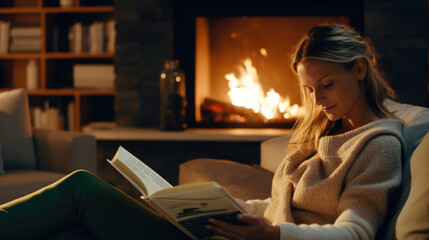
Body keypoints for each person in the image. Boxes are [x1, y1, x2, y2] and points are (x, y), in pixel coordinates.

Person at [0, 24, 404, 240]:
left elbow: (355, 232)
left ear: (359, 68)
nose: (318, 100)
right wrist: (219, 205)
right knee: (71, 231)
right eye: (310, 90)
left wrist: (275, 235)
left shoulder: (378, 145)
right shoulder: (327, 131)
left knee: (82, 190)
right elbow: (286, 204)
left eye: (327, 85)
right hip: (229, 234)